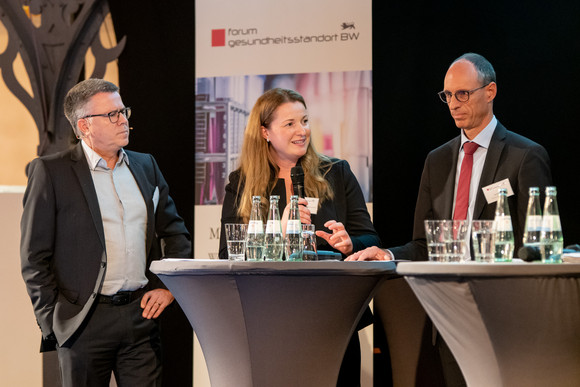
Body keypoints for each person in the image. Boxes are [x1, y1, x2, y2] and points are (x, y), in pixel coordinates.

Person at [347, 53, 553, 385]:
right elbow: (424, 245)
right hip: (447, 317)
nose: (453, 104)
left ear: (490, 91)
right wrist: (387, 254)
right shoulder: (438, 160)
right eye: (447, 95)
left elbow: (539, 247)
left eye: (462, 94)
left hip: (505, 318)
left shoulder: (525, 156)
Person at [20, 78, 191, 387]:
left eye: (123, 110)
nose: (123, 119)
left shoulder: (146, 166)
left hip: (141, 317)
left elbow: (175, 232)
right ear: (84, 125)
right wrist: (54, 322)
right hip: (83, 321)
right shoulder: (51, 172)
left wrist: (168, 287)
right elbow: (34, 257)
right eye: (112, 114)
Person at [219, 87, 380, 386]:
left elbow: (370, 240)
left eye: (304, 121)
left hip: (333, 316)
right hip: (271, 319)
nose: (302, 131)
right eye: (290, 124)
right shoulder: (241, 184)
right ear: (265, 131)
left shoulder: (336, 172)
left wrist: (349, 243)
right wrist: (277, 232)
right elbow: (229, 255)